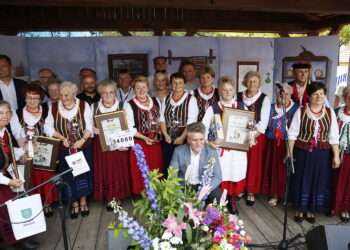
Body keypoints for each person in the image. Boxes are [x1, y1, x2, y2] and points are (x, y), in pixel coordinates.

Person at [288, 81, 340, 223]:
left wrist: (336, 155)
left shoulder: (329, 113)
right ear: (309, 96)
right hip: (303, 152)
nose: (319, 96)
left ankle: (311, 209)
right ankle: (299, 208)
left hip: (322, 154)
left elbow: (333, 136)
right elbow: (292, 134)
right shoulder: (301, 111)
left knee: (318, 180)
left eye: (321, 93)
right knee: (301, 179)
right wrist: (290, 153)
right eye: (315, 94)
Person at [45, 81, 94, 219]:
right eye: (61, 95)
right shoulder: (53, 107)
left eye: (67, 95)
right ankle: (74, 204)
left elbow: (90, 126)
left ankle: (83, 201)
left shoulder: (84, 105)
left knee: (82, 173)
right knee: (67, 176)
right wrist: (62, 138)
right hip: (64, 148)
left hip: (82, 147)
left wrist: (82, 140)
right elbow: (48, 127)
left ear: (74, 94)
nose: (63, 98)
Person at [202, 76, 247, 214]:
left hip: (237, 150)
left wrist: (250, 135)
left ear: (234, 90)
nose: (227, 92)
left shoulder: (241, 106)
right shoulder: (213, 108)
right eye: (224, 90)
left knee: (235, 174)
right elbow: (203, 128)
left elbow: (249, 126)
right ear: (219, 91)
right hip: (220, 150)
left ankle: (232, 201)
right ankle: (221, 201)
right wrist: (208, 143)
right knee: (222, 175)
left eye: (230, 89)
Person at [0, 100, 40, 250]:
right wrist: (8, 182)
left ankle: (19, 237)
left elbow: (8, 152)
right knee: (7, 207)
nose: (5, 116)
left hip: (4, 176)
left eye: (7, 113)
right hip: (2, 179)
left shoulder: (5, 132)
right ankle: (18, 240)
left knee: (9, 206)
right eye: (0, 113)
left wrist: (25, 150)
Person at [92, 79, 133, 210]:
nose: (108, 96)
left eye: (111, 92)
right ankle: (109, 197)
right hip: (101, 146)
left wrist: (125, 142)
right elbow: (88, 126)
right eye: (105, 93)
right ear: (100, 93)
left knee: (117, 171)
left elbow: (130, 126)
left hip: (119, 145)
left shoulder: (124, 106)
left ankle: (117, 197)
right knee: (105, 171)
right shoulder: (94, 107)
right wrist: (94, 130)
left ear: (115, 92)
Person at [17, 84, 57, 217]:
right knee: (30, 177)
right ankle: (34, 204)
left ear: (40, 99)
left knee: (44, 176)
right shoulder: (17, 113)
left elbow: (50, 130)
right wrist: (25, 149)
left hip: (44, 151)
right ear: (25, 98)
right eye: (29, 98)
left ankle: (46, 204)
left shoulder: (47, 111)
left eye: (35, 98)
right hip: (26, 151)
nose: (32, 101)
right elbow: (17, 134)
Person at [261, 83, 299, 207]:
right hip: (271, 142)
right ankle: (274, 194)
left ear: (291, 95)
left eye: (287, 94)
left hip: (287, 144)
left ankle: (285, 194)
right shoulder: (270, 107)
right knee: (272, 168)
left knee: (283, 169)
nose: (283, 96)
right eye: (281, 94)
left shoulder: (296, 109)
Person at [237, 71, 271, 206]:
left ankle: (251, 191)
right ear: (245, 82)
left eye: (255, 81)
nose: (252, 84)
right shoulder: (238, 96)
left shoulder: (265, 99)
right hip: (238, 135)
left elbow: (263, 124)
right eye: (249, 81)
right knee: (240, 162)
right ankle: (240, 189)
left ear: (259, 83)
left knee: (253, 164)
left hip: (256, 137)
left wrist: (249, 136)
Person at [125, 76, 164, 194]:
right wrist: (144, 138)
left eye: (144, 87)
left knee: (156, 167)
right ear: (133, 90)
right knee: (142, 169)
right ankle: (144, 195)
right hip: (140, 142)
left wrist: (160, 132)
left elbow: (161, 119)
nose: (141, 90)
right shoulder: (129, 105)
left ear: (148, 87)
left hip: (155, 142)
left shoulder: (156, 100)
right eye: (138, 88)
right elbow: (129, 128)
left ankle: (156, 193)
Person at [170, 122, 222, 205]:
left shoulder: (211, 153)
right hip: (184, 186)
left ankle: (211, 216)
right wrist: (181, 196)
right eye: (194, 140)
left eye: (201, 139)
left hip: (203, 185)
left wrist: (204, 191)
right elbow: (172, 176)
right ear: (188, 140)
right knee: (173, 196)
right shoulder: (179, 151)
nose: (198, 143)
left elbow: (218, 177)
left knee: (217, 195)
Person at [160, 73, 199, 175]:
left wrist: (182, 137)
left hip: (184, 138)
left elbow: (191, 121)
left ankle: (183, 189)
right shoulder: (166, 99)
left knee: (183, 165)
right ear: (170, 84)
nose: (177, 85)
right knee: (168, 164)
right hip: (168, 138)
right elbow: (162, 118)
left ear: (184, 84)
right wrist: (165, 134)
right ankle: (169, 188)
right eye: (174, 83)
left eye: (180, 83)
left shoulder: (191, 99)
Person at [332, 86, 350, 222]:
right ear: (345, 97)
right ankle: (333, 206)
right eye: (349, 96)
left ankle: (345, 208)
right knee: (334, 179)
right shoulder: (336, 112)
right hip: (335, 152)